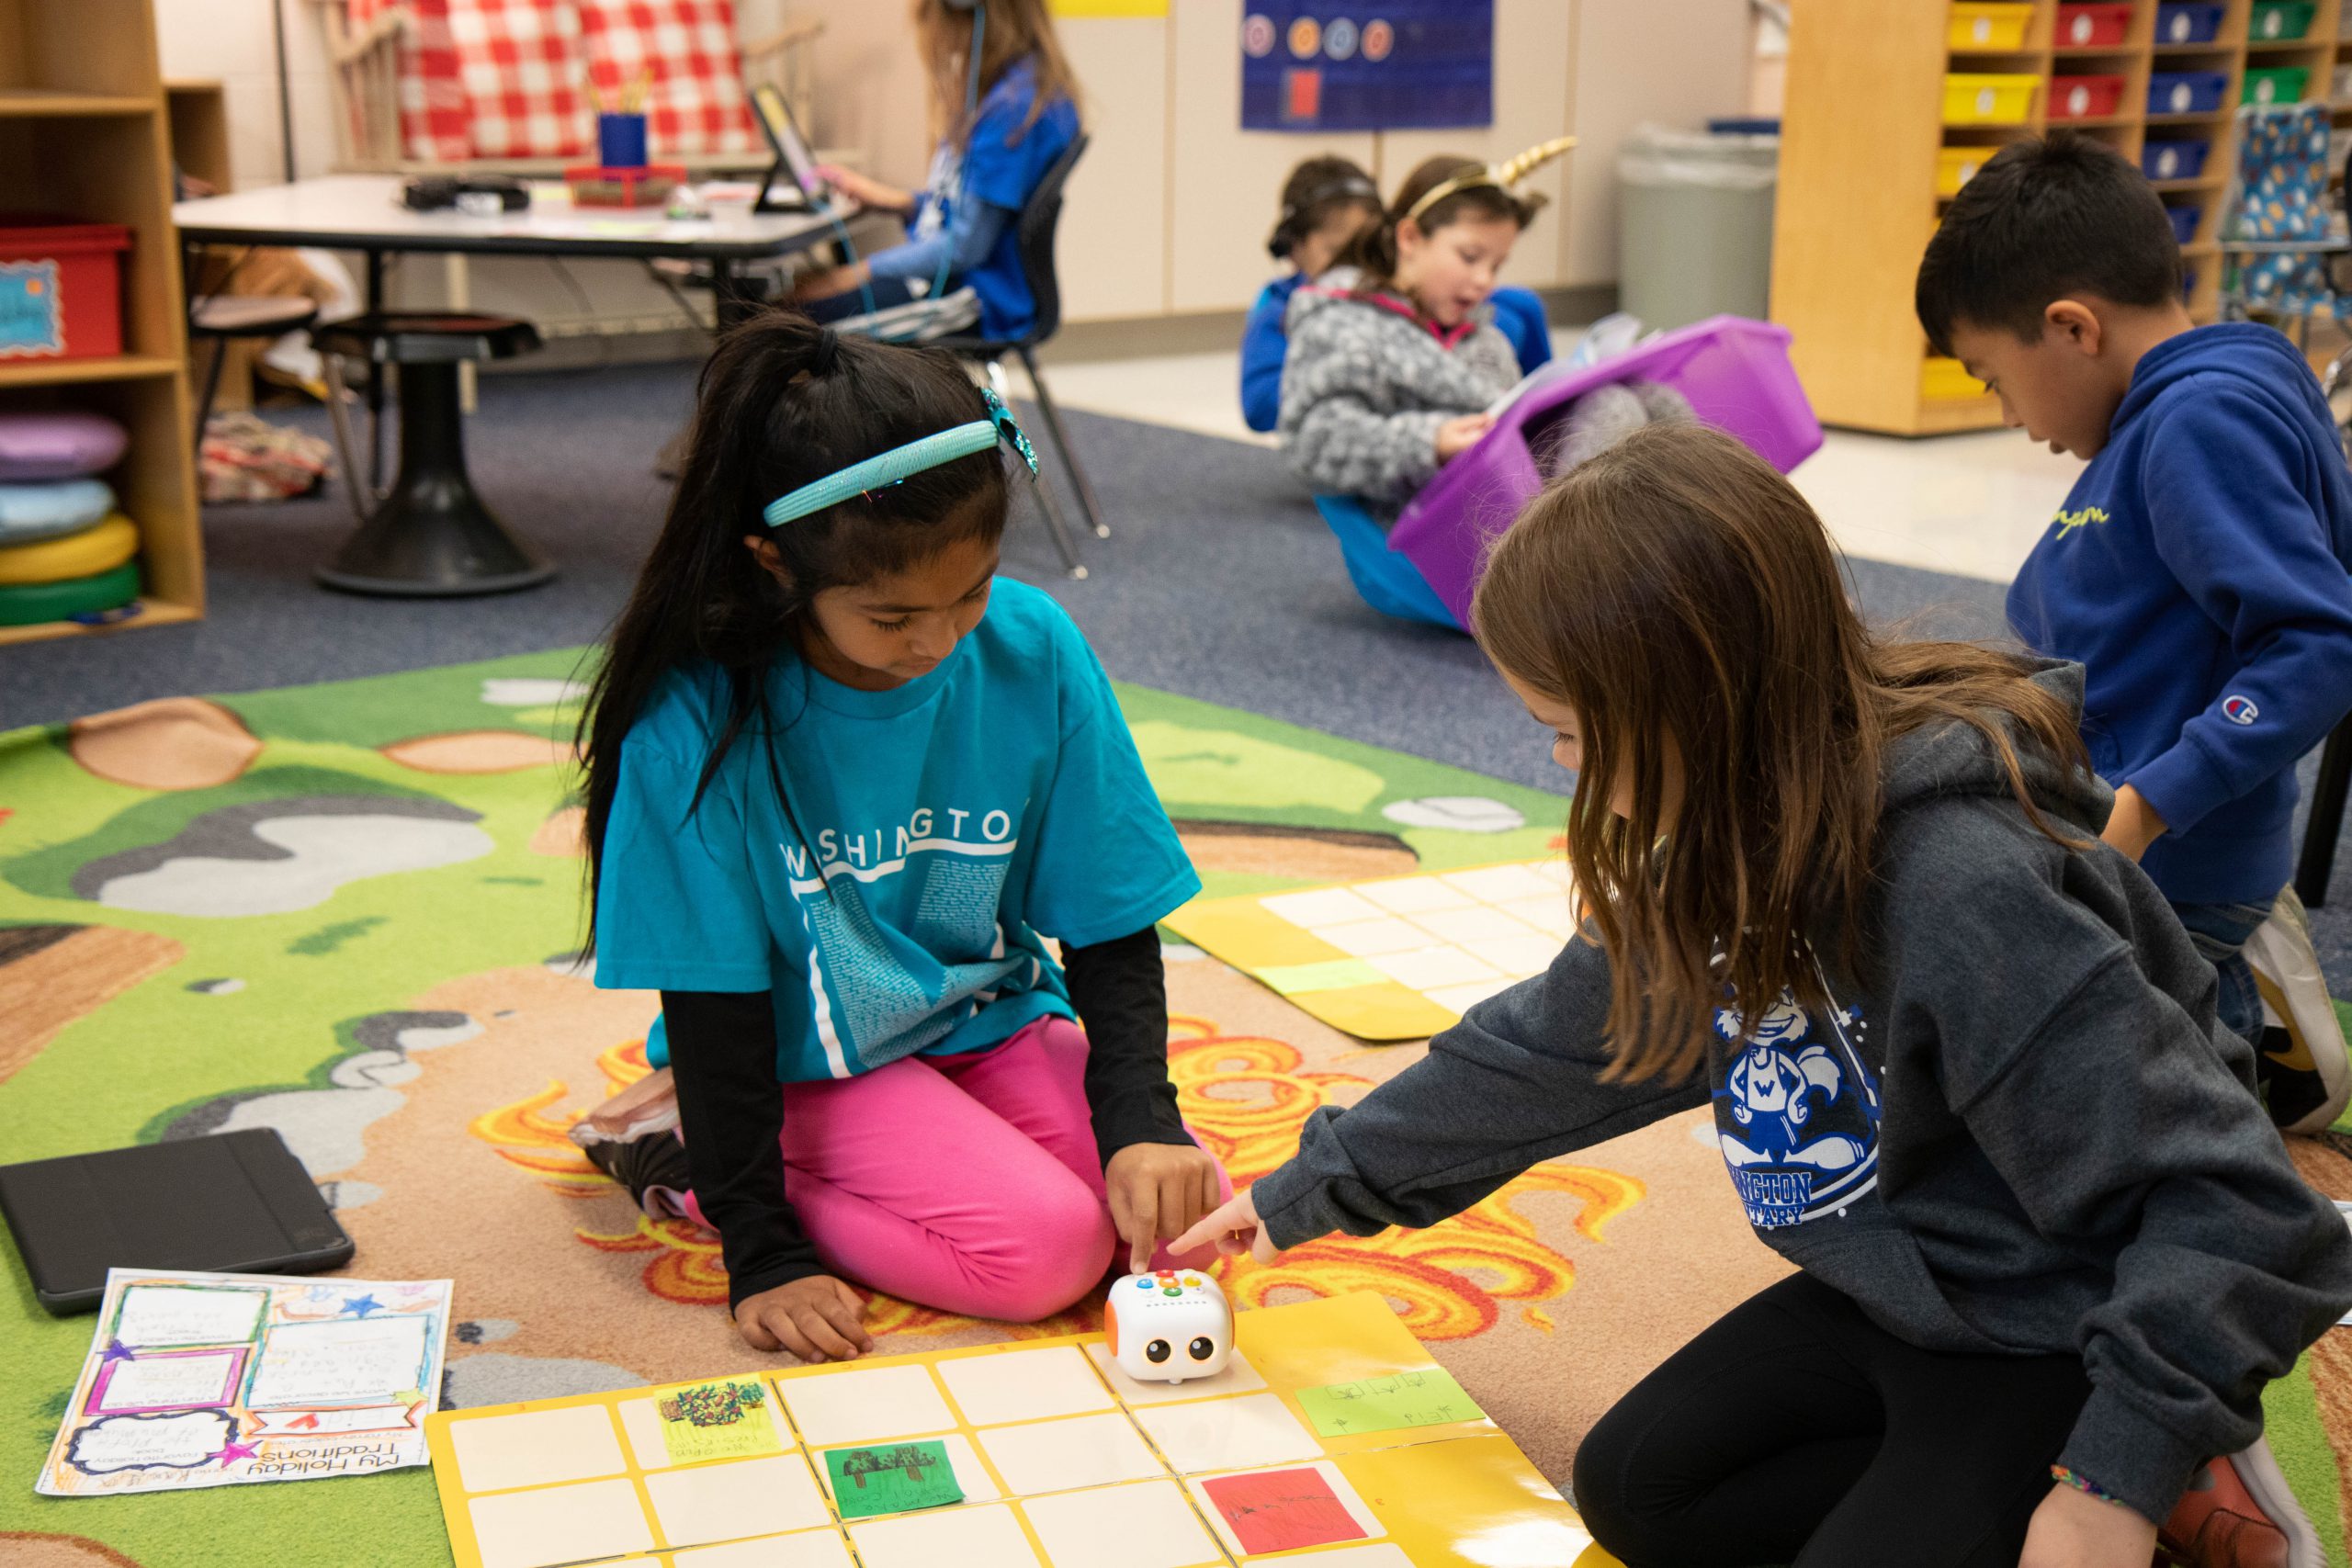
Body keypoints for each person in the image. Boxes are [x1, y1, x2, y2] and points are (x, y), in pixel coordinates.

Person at [1176, 423, 2352, 1568]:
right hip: (1900, 1279)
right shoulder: (1721, 837)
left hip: (2058, 1321)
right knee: (1643, 1494)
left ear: (1701, 706)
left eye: (1574, 735)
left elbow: (2239, 1205)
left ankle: (2167, 1469)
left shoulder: (1963, 889)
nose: (1562, 767)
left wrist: (2112, 1480)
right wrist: (1304, 1192)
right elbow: (1550, 1049)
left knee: (2030, 1515)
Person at [575, 310, 1227, 1364]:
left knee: (1179, 1218)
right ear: (774, 565)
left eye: (968, 593)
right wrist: (763, 1249)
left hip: (984, 1017)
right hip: (804, 1064)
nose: (936, 641)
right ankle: (675, 1152)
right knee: (1046, 1254)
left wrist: (1142, 1120)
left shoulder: (1032, 645)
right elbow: (714, 1001)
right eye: (890, 618)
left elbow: (1109, 919)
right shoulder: (695, 719)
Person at [1918, 130, 2352, 1133]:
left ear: (2071, 326)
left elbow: (2318, 644)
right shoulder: (2186, 405)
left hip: (2162, 872)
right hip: (2137, 850)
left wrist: (2150, 805)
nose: (2014, 419)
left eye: (1992, 378)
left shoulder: (2199, 423)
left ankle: (2247, 1043)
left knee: (2134, 1130)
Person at [1275, 150, 1561, 519]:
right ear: (1409, 238)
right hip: (1429, 529)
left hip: (1508, 510)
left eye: (1496, 265)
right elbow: (1313, 443)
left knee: (1621, 406)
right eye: (1470, 257)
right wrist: (1430, 442)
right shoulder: (1343, 324)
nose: (1485, 280)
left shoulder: (1485, 337)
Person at [793, 0, 1080, 340]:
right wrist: (898, 201)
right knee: (799, 297)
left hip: (971, 297)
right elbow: (968, 210)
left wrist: (859, 273)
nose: (930, 35)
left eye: (929, 19)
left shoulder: (1011, 111)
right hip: (964, 283)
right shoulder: (1015, 91)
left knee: (790, 322)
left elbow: (964, 247)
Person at [1241, 154, 1552, 434]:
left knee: (1520, 306)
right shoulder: (1297, 313)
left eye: (1367, 240)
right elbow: (1267, 410)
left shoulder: (1468, 317)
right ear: (1292, 249)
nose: (1355, 258)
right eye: (1337, 250)